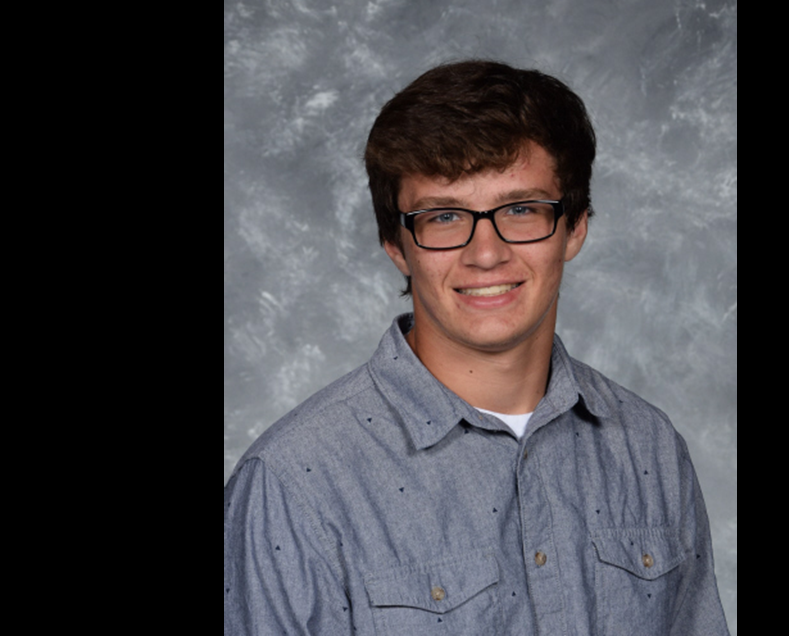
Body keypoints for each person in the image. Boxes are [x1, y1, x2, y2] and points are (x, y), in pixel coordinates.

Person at [224, 60, 729, 635]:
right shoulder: (292, 486)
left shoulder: (650, 449)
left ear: (576, 227)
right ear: (396, 243)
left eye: (519, 209)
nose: (485, 253)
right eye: (444, 216)